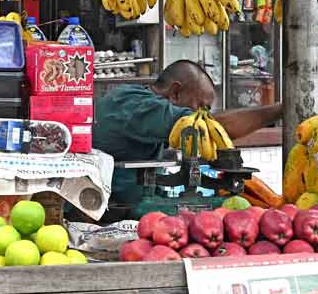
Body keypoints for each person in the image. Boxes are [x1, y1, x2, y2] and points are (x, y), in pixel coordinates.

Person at [92, 59, 283, 204]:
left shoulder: (137, 103)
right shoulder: (138, 106)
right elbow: (208, 126)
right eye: (201, 107)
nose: (203, 114)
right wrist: (280, 110)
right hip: (108, 209)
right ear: (175, 93)